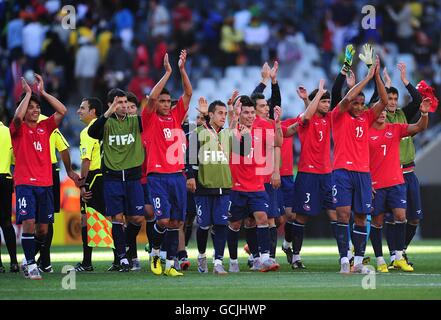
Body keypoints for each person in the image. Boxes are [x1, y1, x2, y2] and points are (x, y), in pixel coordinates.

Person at [332, 55, 388, 274]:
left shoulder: (366, 117)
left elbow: (383, 101)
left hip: (363, 173)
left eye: (362, 104)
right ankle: (344, 259)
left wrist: (377, 77)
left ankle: (357, 261)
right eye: (357, 103)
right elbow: (347, 98)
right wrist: (366, 77)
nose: (359, 106)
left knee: (361, 217)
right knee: (343, 214)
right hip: (342, 171)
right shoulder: (339, 114)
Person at [10, 74, 67, 280]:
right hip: (25, 183)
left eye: (37, 107)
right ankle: (32, 265)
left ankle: (26, 259)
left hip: (46, 184)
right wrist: (27, 94)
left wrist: (43, 93)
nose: (35, 110)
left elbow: (62, 111)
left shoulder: (46, 127)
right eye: (31, 107)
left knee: (43, 230)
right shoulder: (17, 129)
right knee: (29, 223)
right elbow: (17, 117)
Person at [142, 50, 192, 277]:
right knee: (162, 219)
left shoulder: (176, 116)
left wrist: (182, 70)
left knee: (175, 222)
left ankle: (171, 264)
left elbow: (188, 93)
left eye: (167, 101)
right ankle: (154, 252)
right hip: (157, 176)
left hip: (177, 176)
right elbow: (151, 98)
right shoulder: (149, 118)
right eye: (161, 100)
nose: (163, 103)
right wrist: (168, 72)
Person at [186, 95, 247, 274]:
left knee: (221, 224)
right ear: (210, 115)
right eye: (220, 113)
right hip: (203, 186)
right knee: (204, 225)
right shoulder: (198, 132)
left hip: (224, 185)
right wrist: (190, 177)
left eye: (224, 113)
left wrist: (246, 135)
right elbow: (189, 157)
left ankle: (218, 261)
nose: (223, 116)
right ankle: (202, 255)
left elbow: (243, 152)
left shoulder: (227, 134)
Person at [368, 98, 430, 273]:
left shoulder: (394, 129)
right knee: (377, 221)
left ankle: (398, 256)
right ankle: (380, 259)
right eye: (378, 111)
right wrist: (366, 182)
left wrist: (424, 113)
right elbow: (362, 160)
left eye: (383, 111)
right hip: (376, 184)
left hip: (396, 183)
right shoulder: (366, 132)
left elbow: (419, 127)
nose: (381, 113)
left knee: (401, 216)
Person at [88, 88, 145, 272]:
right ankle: (122, 257)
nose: (124, 106)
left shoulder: (135, 121)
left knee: (137, 218)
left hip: (132, 176)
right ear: (111, 105)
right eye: (119, 102)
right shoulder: (104, 123)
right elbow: (92, 133)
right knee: (117, 219)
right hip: (112, 176)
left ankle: (125, 247)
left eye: (125, 102)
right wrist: (107, 113)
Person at [284, 80, 338, 269]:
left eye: (327, 101)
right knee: (301, 217)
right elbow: (308, 115)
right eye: (322, 101)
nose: (326, 104)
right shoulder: (304, 118)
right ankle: (296, 256)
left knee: (335, 213)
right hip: (307, 174)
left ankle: (345, 255)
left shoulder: (330, 118)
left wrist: (310, 99)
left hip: (326, 174)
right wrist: (309, 100)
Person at [227, 95, 281, 273]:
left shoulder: (262, 128)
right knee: (235, 224)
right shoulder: (236, 130)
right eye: (246, 112)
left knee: (262, 218)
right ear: (240, 113)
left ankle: (264, 259)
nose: (250, 115)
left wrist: (278, 123)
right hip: (237, 187)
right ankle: (233, 261)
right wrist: (233, 116)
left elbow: (277, 144)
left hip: (257, 185)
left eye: (252, 112)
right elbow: (236, 147)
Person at [381, 64, 424, 268]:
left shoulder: (403, 115)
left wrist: (405, 79)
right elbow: (374, 102)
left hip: (409, 172)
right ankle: (393, 255)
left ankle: (402, 250)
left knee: (414, 219)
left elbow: (417, 100)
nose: (392, 102)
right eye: (389, 98)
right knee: (393, 218)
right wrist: (384, 84)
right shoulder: (379, 118)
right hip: (391, 174)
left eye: (395, 99)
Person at [36, 113, 80, 273]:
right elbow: (63, 148)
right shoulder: (48, 122)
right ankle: (43, 261)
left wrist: (69, 171)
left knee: (41, 220)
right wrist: (68, 171)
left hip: (39, 170)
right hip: (49, 169)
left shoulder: (21, 121)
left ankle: (41, 260)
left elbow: (63, 147)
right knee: (47, 219)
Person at [72, 97, 105, 272]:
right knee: (110, 219)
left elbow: (86, 160)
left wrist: (82, 185)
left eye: (82, 107)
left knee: (86, 220)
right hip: (106, 175)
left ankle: (87, 262)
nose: (78, 111)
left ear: (93, 112)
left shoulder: (88, 131)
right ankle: (121, 259)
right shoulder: (105, 127)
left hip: (93, 176)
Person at [0, 120, 18, 273]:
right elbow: (15, 159)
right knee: (6, 222)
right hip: (5, 179)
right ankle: (14, 263)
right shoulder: (8, 132)